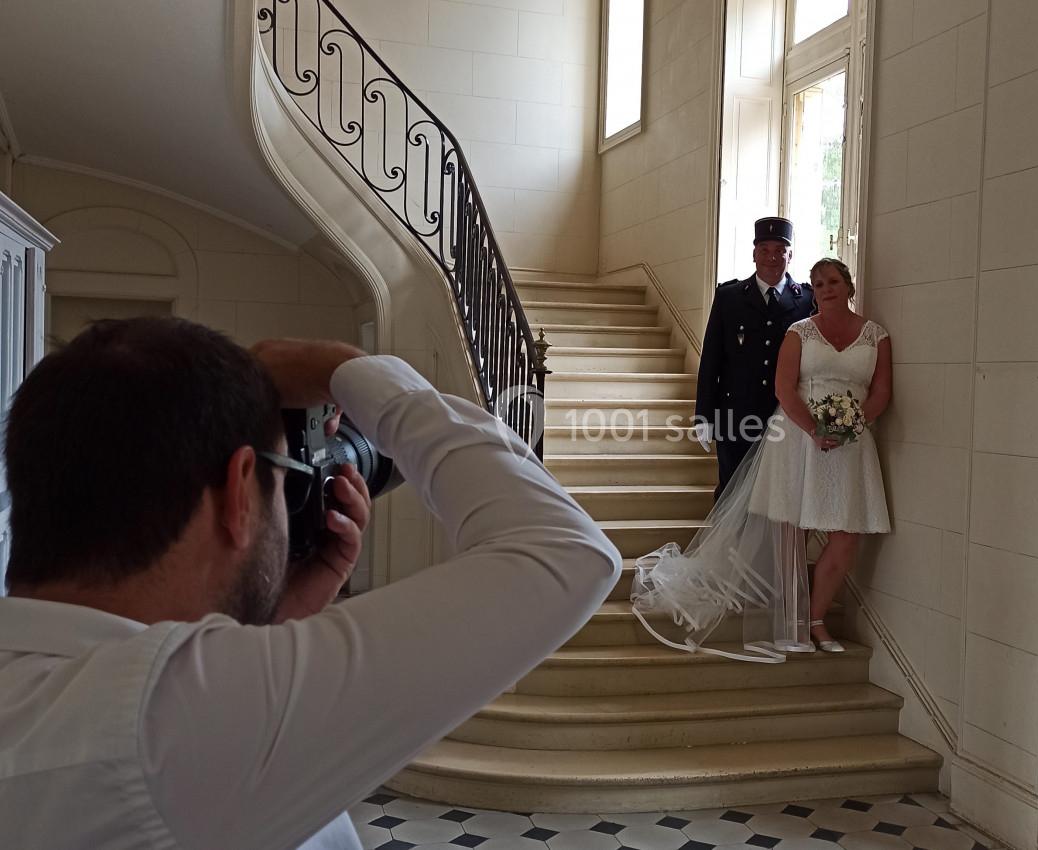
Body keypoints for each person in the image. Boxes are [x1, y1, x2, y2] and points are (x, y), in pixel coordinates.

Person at [0, 317, 621, 850]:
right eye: (281, 476)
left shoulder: (57, 697)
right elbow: (566, 550)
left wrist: (274, 623)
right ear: (240, 491)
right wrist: (350, 369)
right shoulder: (163, 723)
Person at [633, 258, 890, 661]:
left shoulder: (875, 335)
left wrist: (853, 425)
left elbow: (881, 391)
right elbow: (784, 389)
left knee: (846, 534)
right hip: (797, 437)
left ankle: (816, 617)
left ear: (849, 285)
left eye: (833, 281)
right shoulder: (799, 331)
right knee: (790, 535)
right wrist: (815, 429)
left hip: (852, 443)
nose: (825, 288)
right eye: (819, 282)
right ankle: (794, 624)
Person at [694, 217, 814, 498]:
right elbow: (711, 359)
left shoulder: (807, 300)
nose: (772, 257)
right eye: (764, 249)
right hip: (735, 415)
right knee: (731, 492)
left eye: (779, 250)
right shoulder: (729, 296)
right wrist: (704, 415)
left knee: (780, 495)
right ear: (754, 254)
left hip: (784, 415)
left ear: (790, 255)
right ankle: (727, 544)